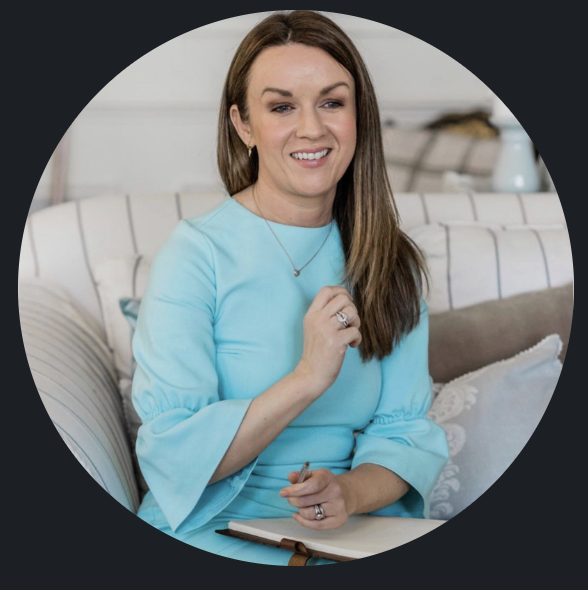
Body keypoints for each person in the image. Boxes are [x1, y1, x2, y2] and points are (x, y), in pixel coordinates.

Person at [131, 10, 449, 566]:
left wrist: (345, 495)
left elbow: (403, 433)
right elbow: (176, 453)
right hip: (215, 528)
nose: (312, 129)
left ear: (359, 116)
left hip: (352, 533)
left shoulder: (387, 258)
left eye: (332, 102)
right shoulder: (196, 254)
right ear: (243, 125)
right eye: (282, 107)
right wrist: (309, 376)